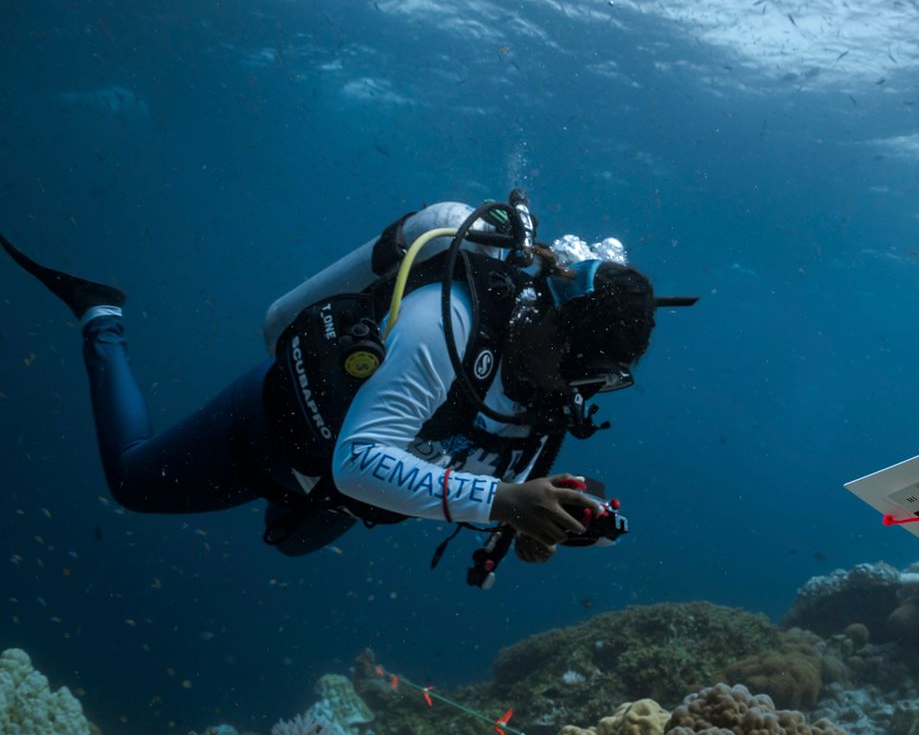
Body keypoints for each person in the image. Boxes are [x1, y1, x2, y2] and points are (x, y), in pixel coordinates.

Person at [2, 194, 666, 567]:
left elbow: (490, 480)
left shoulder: (553, 389)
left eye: (597, 382)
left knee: (290, 544)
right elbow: (359, 462)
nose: (573, 390)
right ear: (551, 321)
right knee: (132, 481)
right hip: (275, 435)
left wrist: (535, 522)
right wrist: (503, 504)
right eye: (576, 367)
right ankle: (102, 314)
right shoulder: (449, 327)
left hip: (341, 487)